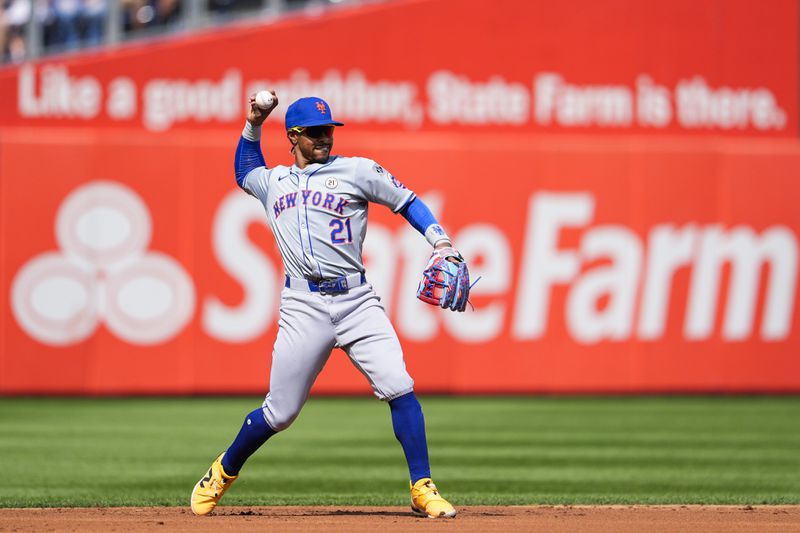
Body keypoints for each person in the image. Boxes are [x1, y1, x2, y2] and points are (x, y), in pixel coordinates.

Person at [190, 91, 469, 519]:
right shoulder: (275, 182)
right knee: (279, 413)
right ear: (294, 136)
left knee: (399, 385)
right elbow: (245, 172)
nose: (325, 137)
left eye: (329, 130)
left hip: (357, 300)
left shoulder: (357, 170)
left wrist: (442, 241)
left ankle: (422, 487)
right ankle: (222, 471)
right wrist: (253, 124)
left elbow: (407, 201)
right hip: (302, 304)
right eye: (316, 132)